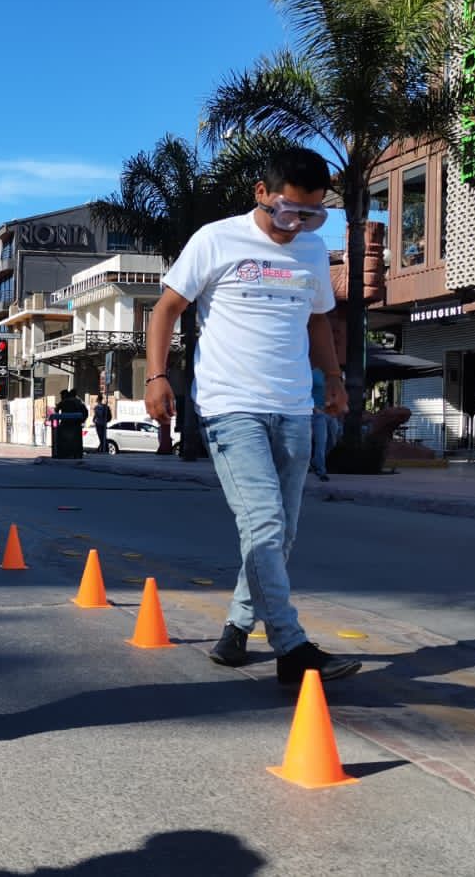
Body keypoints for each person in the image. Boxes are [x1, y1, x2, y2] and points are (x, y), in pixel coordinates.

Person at [145, 146, 360, 685]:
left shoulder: (311, 251)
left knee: (279, 532)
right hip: (229, 406)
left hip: (293, 408)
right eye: (289, 212)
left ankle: (237, 627)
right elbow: (167, 308)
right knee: (262, 523)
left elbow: (318, 323)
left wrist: (333, 380)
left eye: (312, 216)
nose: (298, 226)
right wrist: (157, 377)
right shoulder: (216, 239)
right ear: (262, 195)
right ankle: (291, 647)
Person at [310, 367, 332, 482]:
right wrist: (313, 408)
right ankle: (321, 470)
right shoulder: (311, 372)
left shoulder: (330, 373)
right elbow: (304, 392)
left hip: (328, 412)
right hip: (316, 413)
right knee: (321, 441)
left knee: (333, 437)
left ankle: (315, 461)